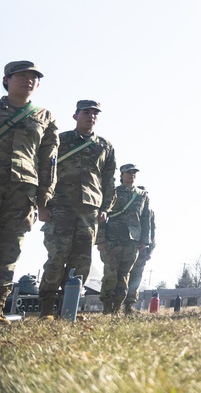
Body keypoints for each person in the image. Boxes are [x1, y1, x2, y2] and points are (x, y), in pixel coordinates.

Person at [37, 99, 115, 319]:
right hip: (60, 206)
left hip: (89, 210)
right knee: (56, 257)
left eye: (94, 113)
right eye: (86, 112)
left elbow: (109, 180)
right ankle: (46, 309)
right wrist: (42, 205)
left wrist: (105, 208)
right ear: (75, 116)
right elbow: (45, 170)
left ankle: (67, 309)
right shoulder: (60, 141)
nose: (90, 116)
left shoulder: (104, 146)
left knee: (81, 261)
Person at [0, 61, 58, 325]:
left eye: (33, 77)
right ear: (7, 80)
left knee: (9, 250)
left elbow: (49, 160)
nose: (28, 80)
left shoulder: (44, 116)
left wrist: (44, 198)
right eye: (21, 75)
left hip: (21, 191)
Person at [97, 164, 151, 314]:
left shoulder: (142, 195)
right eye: (128, 173)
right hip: (112, 239)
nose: (131, 175)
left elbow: (145, 219)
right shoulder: (112, 192)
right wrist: (100, 240)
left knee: (124, 275)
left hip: (132, 240)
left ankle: (117, 308)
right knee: (110, 274)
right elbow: (102, 216)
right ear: (121, 175)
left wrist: (144, 241)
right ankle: (107, 308)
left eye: (134, 173)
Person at [125, 206, 155, 313]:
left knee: (136, 276)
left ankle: (129, 305)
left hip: (141, 248)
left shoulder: (149, 212)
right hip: (126, 245)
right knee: (125, 274)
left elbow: (151, 232)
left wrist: (149, 250)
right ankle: (119, 304)